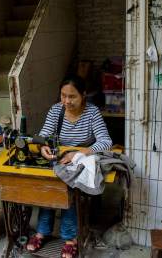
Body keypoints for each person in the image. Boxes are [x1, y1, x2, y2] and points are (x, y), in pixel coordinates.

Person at [26, 76, 112, 258]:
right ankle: (42, 232)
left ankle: (70, 238)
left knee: (70, 190)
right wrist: (43, 147)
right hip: (59, 159)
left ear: (83, 95)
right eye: (63, 95)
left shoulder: (92, 112)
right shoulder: (56, 110)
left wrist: (81, 153)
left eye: (72, 96)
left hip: (81, 161)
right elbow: (42, 136)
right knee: (49, 188)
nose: (66, 101)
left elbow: (106, 142)